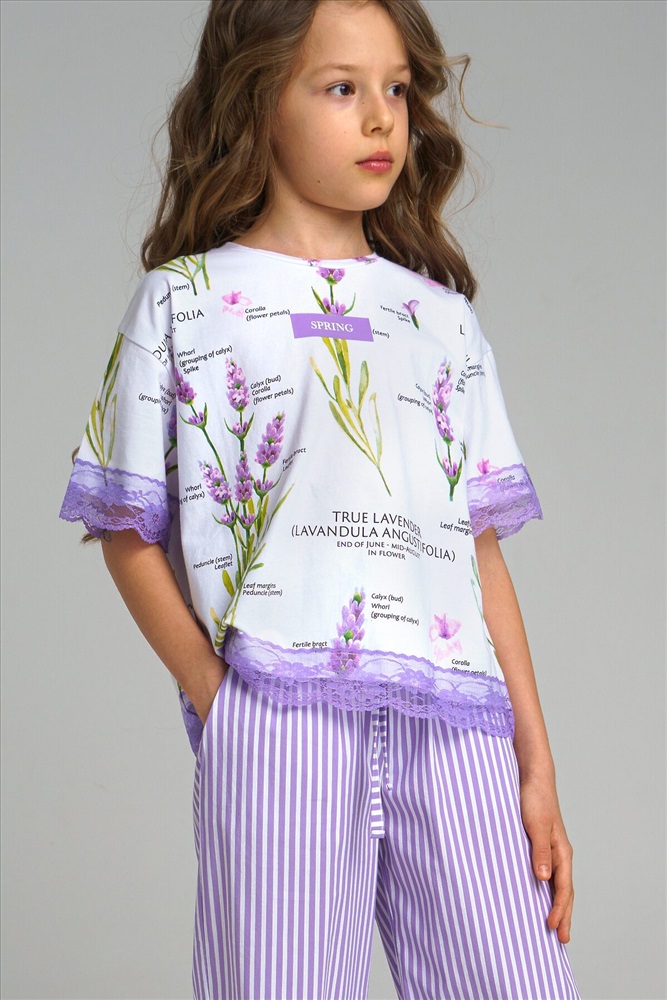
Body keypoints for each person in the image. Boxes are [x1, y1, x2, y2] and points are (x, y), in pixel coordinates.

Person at [59, 1, 582, 997]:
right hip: (277, 717)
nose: (382, 117)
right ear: (259, 99)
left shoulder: (440, 320)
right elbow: (127, 529)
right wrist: (222, 701)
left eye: (396, 89)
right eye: (342, 88)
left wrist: (535, 765)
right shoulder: (184, 301)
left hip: (453, 721)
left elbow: (475, 551)